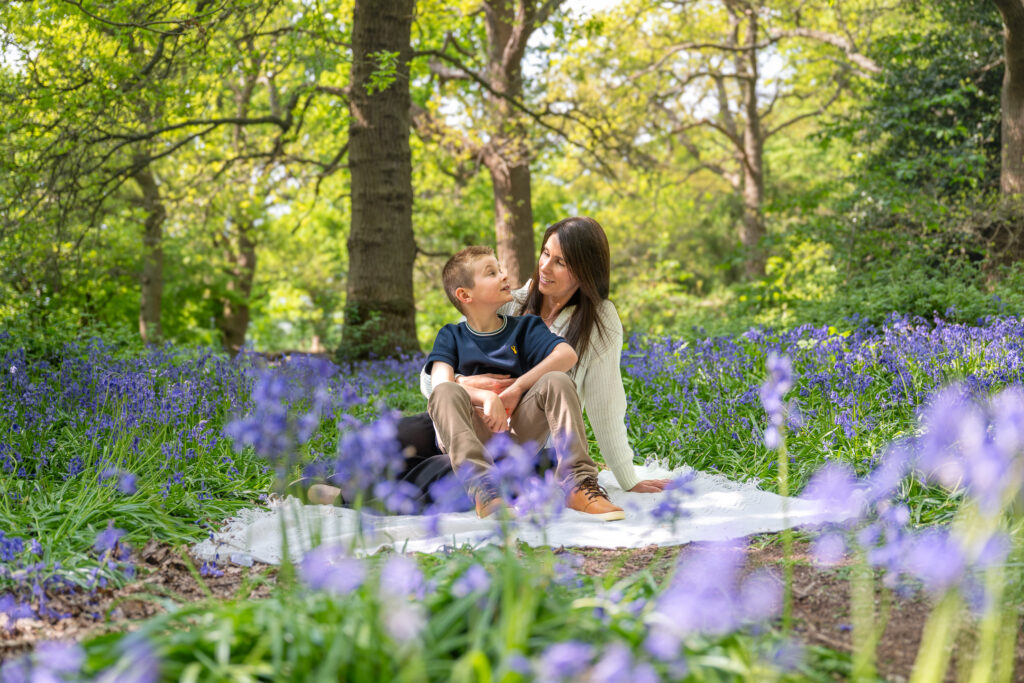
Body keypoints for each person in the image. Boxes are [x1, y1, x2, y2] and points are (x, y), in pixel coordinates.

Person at [415, 217, 670, 494]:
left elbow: (605, 404)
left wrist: (627, 478)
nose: (545, 267)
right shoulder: (509, 302)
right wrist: (469, 385)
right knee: (399, 438)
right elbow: (433, 380)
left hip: (532, 442)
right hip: (474, 420)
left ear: (585, 271)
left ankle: (487, 490)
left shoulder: (600, 320)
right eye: (546, 253)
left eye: (560, 262)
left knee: (437, 475)